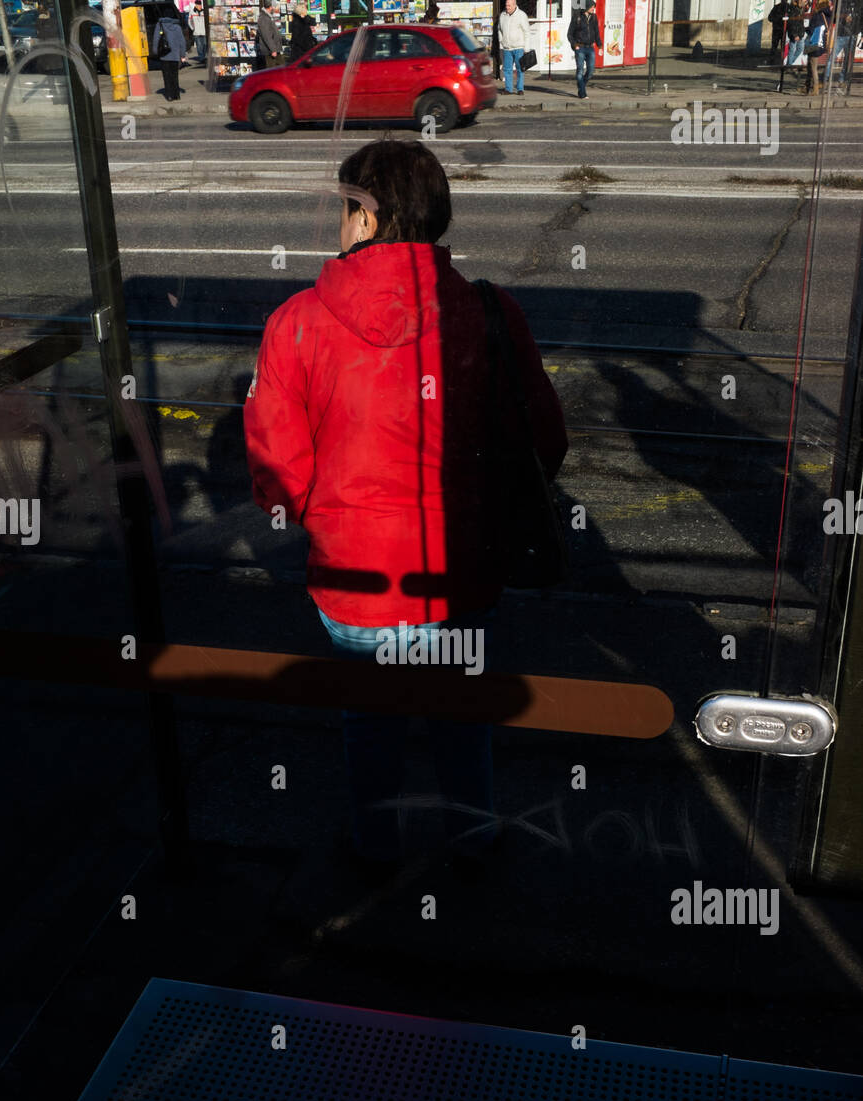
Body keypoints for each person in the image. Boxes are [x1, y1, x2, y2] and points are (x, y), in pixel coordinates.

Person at [244, 140, 567, 876]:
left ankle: (375, 849)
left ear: (367, 215)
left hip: (356, 578)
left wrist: (319, 514)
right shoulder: (488, 311)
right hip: (463, 569)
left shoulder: (297, 321)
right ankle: (473, 842)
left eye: (343, 205)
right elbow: (541, 441)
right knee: (463, 715)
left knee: (370, 718)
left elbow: (277, 464)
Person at [568, 0, 603, 100]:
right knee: (580, 71)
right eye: (592, 7)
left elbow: (596, 32)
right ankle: (582, 93)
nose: (593, 8)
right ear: (587, 7)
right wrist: (575, 45)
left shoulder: (594, 17)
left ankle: (581, 85)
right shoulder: (577, 17)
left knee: (591, 71)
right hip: (580, 48)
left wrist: (600, 46)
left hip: (590, 48)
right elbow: (569, 34)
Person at [152, 4, 187, 102]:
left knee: (166, 76)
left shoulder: (160, 25)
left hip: (164, 55)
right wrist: (182, 55)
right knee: (175, 76)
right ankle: (177, 95)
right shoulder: (177, 27)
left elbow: (156, 39)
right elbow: (182, 42)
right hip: (175, 56)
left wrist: (155, 51)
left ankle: (169, 96)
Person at [498, 0, 530, 95]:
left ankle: (520, 89)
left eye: (509, 5)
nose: (507, 7)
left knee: (520, 69)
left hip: (519, 47)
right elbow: (499, 29)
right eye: (506, 5)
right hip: (507, 47)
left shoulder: (521, 15)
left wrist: (526, 48)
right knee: (507, 69)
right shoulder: (502, 15)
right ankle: (508, 89)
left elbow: (527, 32)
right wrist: (501, 41)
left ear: (514, 5)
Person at [804, 0, 831, 93]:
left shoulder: (817, 15)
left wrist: (805, 29)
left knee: (813, 67)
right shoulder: (827, 15)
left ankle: (815, 89)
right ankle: (807, 86)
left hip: (814, 43)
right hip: (821, 43)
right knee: (811, 65)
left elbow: (812, 29)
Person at [255, 1, 283, 69]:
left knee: (281, 68)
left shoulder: (268, 16)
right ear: (270, 7)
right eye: (274, 7)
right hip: (270, 51)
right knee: (272, 70)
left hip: (274, 49)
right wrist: (273, 50)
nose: (275, 9)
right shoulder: (264, 18)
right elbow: (266, 36)